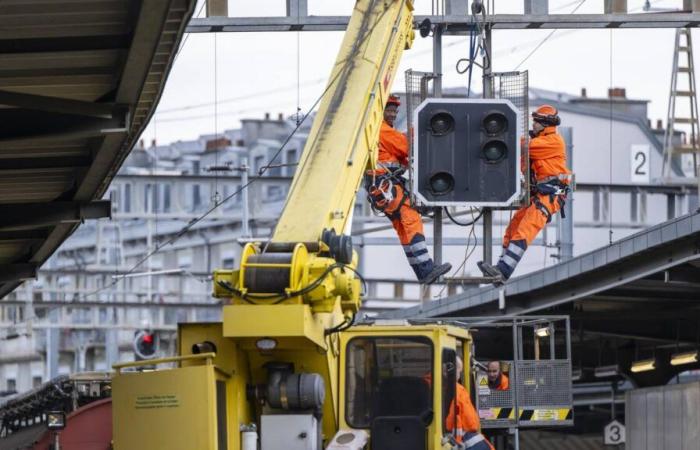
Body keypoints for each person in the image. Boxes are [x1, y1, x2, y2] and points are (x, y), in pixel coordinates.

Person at [478, 104, 570, 284]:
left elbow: (524, 147)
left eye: (536, 121)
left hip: (551, 194)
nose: (533, 124)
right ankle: (498, 270)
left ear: (545, 123)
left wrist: (500, 137)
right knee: (513, 228)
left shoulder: (553, 141)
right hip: (539, 193)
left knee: (525, 229)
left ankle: (503, 271)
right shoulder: (540, 140)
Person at [366, 94, 451, 284]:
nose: (393, 114)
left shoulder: (379, 131)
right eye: (390, 110)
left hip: (381, 188)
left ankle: (422, 272)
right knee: (411, 218)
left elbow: (401, 155)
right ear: (380, 111)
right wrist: (417, 134)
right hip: (386, 185)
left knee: (403, 228)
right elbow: (406, 148)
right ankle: (426, 268)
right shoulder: (382, 130)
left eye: (395, 111)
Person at [445, 356, 494, 450]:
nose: (459, 375)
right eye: (459, 371)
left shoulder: (428, 384)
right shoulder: (458, 391)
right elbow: (458, 421)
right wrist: (457, 444)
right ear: (452, 370)